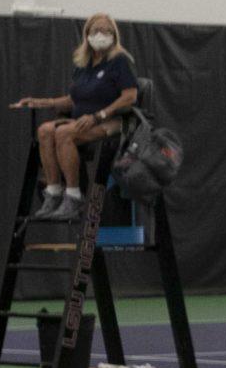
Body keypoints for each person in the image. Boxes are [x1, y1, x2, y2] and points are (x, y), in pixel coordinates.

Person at [9, 12, 138, 221]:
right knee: (44, 131)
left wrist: (98, 115)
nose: (101, 34)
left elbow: (130, 96)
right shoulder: (83, 65)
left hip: (111, 122)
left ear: (114, 35)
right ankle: (53, 192)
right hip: (81, 120)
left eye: (106, 30)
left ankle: (74, 196)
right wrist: (40, 102)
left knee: (63, 133)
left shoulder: (119, 61)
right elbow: (73, 100)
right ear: (87, 35)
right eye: (96, 30)